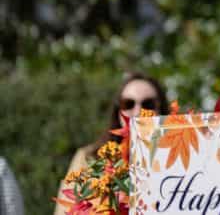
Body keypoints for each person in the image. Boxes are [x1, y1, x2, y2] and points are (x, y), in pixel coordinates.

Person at [54, 72, 165, 215]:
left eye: (148, 104)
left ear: (160, 108)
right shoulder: (88, 157)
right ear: (118, 110)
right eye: (128, 104)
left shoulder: (178, 162)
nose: (138, 111)